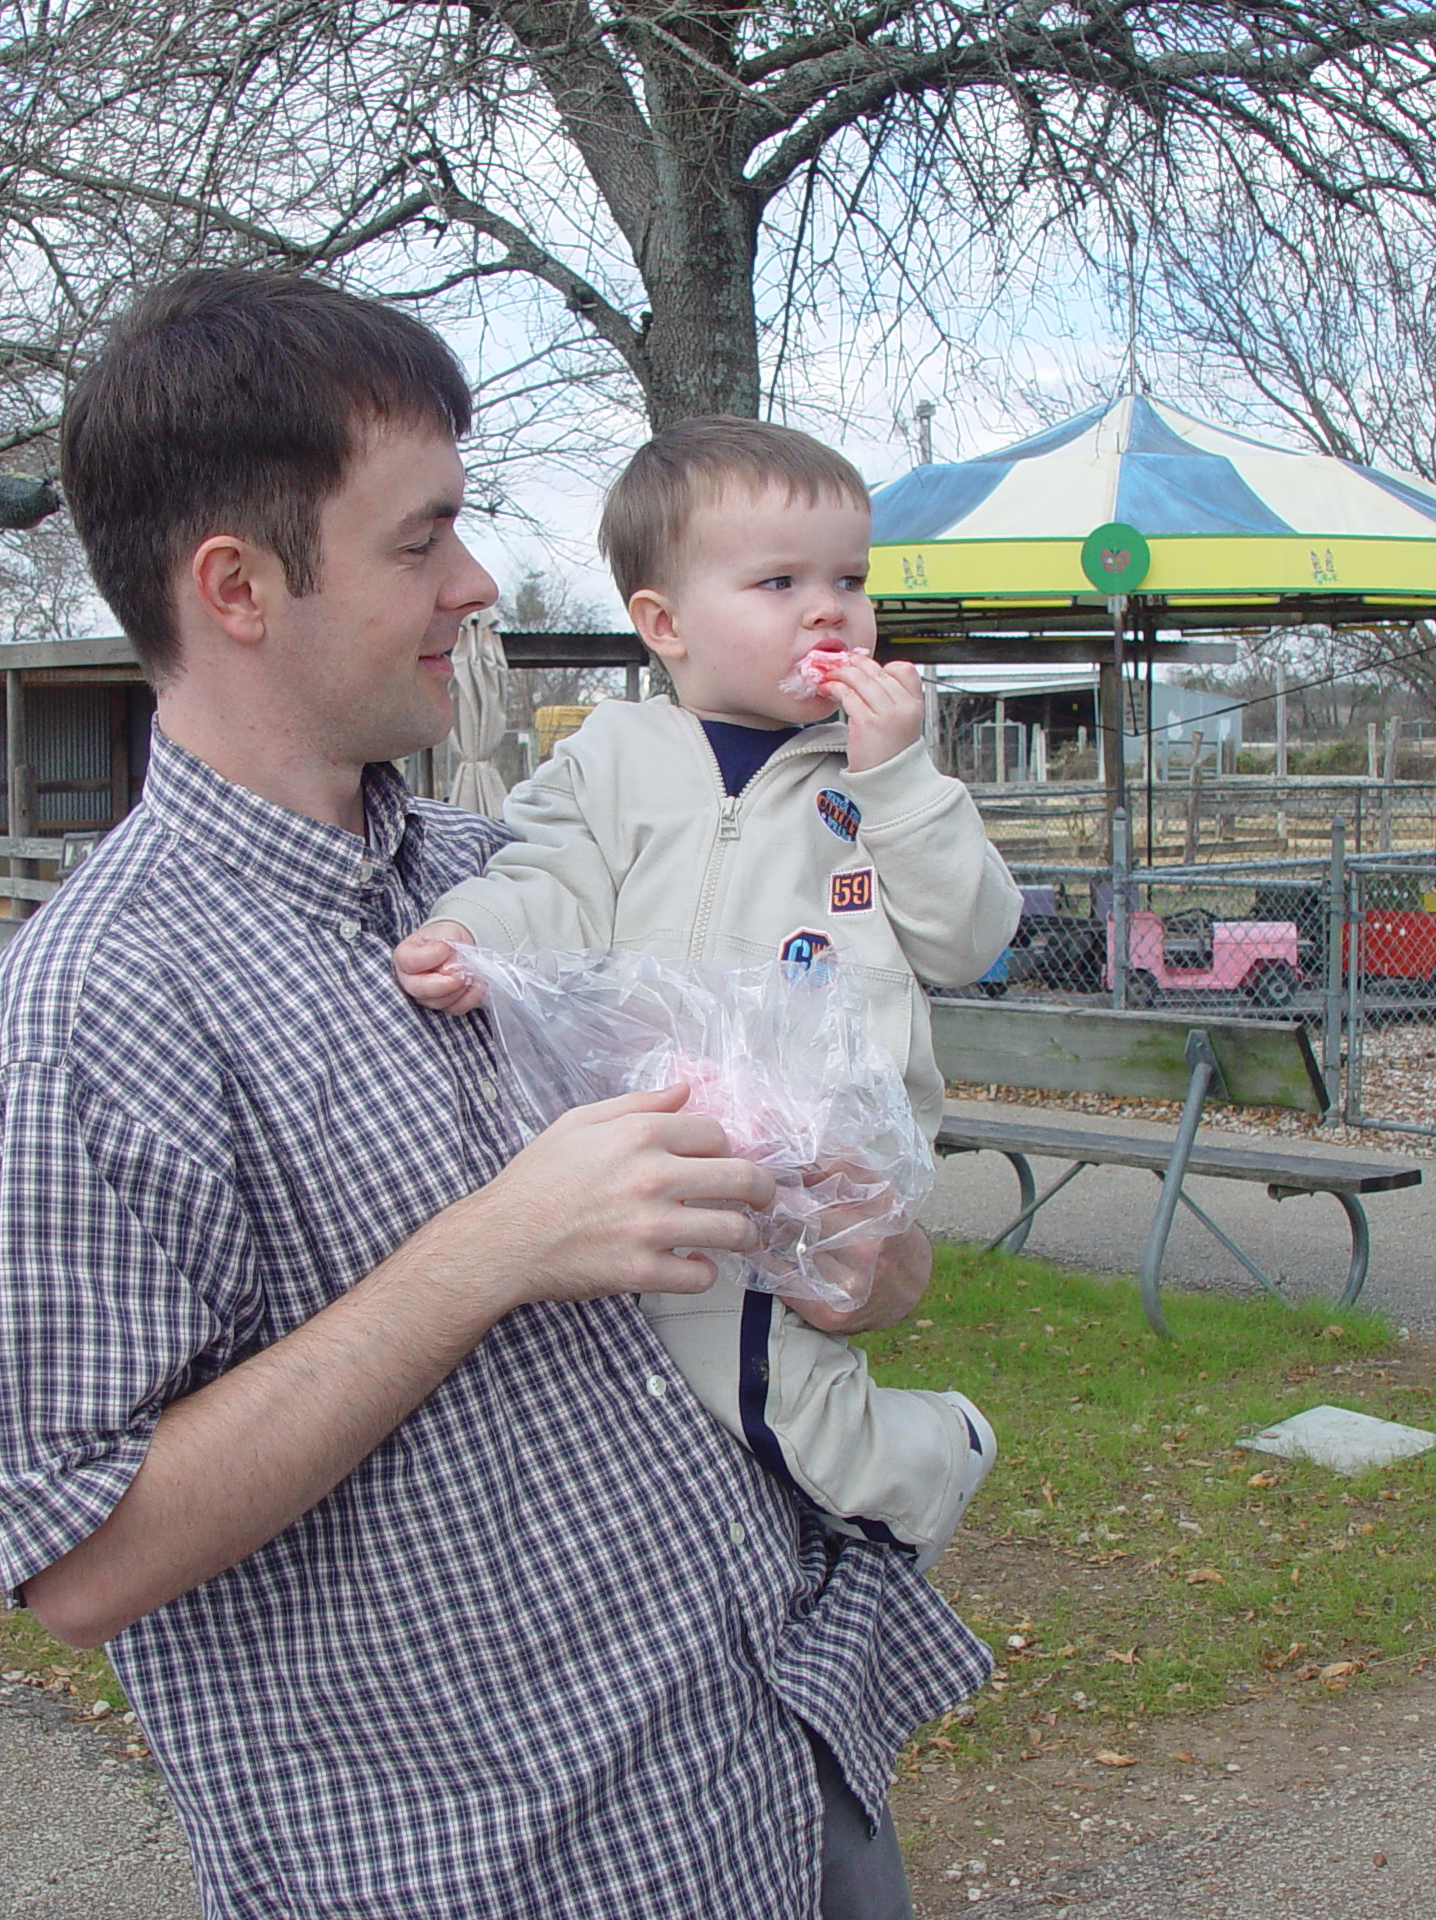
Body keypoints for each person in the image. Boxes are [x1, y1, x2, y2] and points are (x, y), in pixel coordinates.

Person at [0, 270, 991, 1920]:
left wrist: (865, 1252)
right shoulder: (91, 1009)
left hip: (778, 1779)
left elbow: (833, 1249)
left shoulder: (524, 877)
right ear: (237, 587)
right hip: (494, 1874)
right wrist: (491, 1249)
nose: (478, 581)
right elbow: (82, 1554)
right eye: (422, 539)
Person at [394, 418, 1023, 1566]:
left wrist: (900, 780)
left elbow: (969, 938)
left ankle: (932, 1456)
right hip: (657, 1133)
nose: (827, 610)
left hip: (823, 1160)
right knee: (683, 1389)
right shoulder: (612, 757)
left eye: (849, 579)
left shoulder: (872, 777)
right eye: (779, 581)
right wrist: (467, 933)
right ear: (664, 624)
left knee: (780, 1389)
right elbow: (547, 879)